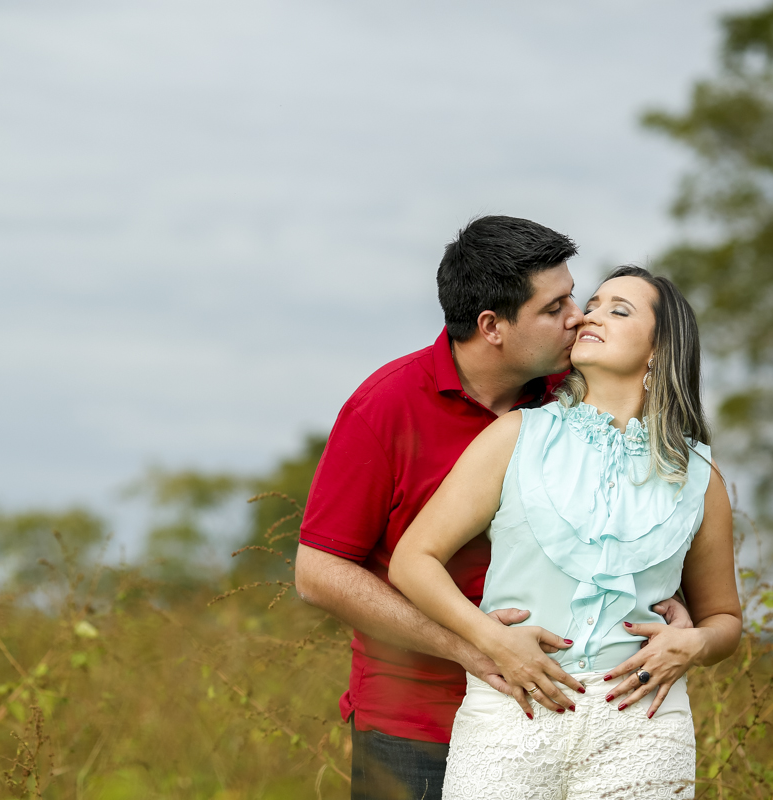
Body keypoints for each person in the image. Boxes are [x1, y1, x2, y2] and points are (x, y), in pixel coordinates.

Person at [294, 219, 694, 800]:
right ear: (492, 327)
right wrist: (475, 645)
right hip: (415, 721)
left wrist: (666, 602)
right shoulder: (385, 407)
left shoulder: (575, 394)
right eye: (555, 308)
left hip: (567, 716)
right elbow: (319, 573)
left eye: (574, 298)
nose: (578, 318)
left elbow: (642, 502)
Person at [389, 266, 743, 800]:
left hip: (643, 724)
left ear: (658, 352)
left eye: (618, 310)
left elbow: (725, 619)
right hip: (511, 713)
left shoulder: (700, 476)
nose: (590, 315)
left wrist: (693, 644)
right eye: (593, 304)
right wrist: (491, 641)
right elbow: (413, 559)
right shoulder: (516, 437)